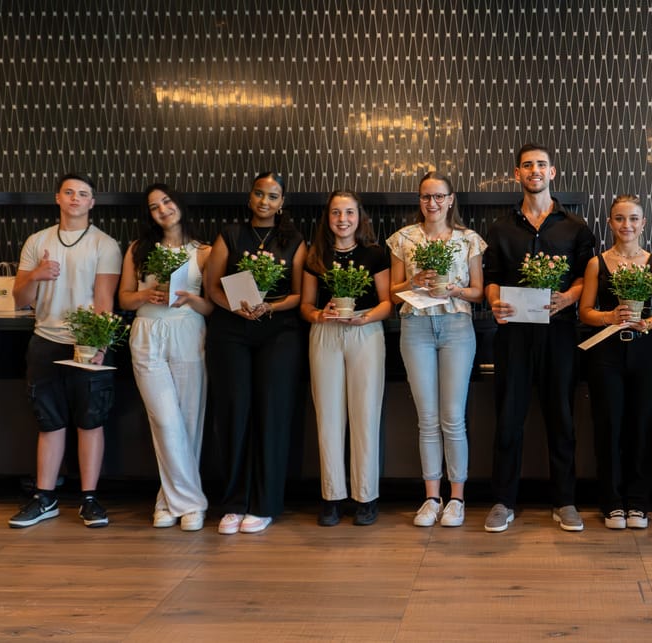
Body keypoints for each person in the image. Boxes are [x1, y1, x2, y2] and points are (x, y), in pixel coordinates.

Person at [482, 143, 596, 532]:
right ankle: (503, 501)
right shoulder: (500, 228)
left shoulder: (575, 227)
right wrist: (494, 301)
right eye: (527, 165)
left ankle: (564, 501)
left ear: (552, 172)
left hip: (559, 332)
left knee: (561, 417)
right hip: (512, 333)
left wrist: (570, 297)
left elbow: (585, 277)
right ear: (517, 174)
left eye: (541, 165)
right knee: (508, 418)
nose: (535, 170)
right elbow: (491, 278)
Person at [8, 172, 123, 528]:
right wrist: (36, 275)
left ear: (92, 202)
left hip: (88, 342)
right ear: (57, 198)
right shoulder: (37, 241)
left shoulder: (105, 244)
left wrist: (101, 343)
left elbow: (104, 301)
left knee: (91, 421)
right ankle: (44, 498)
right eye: (69, 192)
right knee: (49, 422)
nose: (75, 198)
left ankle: (89, 500)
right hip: (45, 340)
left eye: (83, 194)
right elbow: (19, 298)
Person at [205, 171, 306, 535]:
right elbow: (212, 287)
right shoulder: (230, 234)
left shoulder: (294, 240)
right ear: (250, 197)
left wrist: (269, 307)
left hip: (279, 332)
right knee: (233, 413)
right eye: (259, 194)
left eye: (273, 196)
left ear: (282, 203)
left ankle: (264, 505)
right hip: (231, 331)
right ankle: (234, 503)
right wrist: (236, 307)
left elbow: (298, 295)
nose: (265, 201)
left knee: (271, 414)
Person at [388, 172, 485, 528]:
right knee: (427, 418)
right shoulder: (403, 238)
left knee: (453, 417)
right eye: (426, 196)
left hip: (457, 327)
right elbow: (392, 293)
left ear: (450, 199)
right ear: (420, 200)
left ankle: (457, 499)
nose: (433, 203)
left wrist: (455, 290)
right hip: (415, 327)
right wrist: (412, 282)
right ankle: (431, 498)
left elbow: (479, 292)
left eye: (439, 196)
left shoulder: (468, 239)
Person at [118, 184, 212, 532]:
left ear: (179, 203)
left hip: (187, 330)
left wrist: (189, 298)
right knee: (164, 421)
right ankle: (192, 504)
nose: (162, 209)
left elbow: (211, 306)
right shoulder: (137, 249)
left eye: (167, 201)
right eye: (154, 206)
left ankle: (168, 502)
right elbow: (124, 299)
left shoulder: (204, 251)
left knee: (188, 421)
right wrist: (145, 294)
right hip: (147, 332)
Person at [578, 195, 652, 529]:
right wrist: (609, 317)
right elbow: (585, 312)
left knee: (641, 427)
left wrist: (646, 322)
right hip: (605, 354)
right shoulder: (597, 264)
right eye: (619, 218)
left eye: (633, 219)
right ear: (610, 223)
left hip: (644, 353)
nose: (626, 225)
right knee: (609, 427)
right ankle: (612, 503)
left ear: (643, 223)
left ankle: (639, 504)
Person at [302, 190, 392, 527]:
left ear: (359, 217)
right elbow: (305, 306)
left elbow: (387, 303)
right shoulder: (316, 255)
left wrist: (365, 318)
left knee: (365, 414)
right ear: (328, 218)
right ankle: (332, 497)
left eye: (349, 213)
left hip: (365, 332)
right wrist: (319, 315)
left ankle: (366, 496)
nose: (343, 220)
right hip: (325, 333)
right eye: (336, 213)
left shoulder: (375, 254)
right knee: (328, 416)